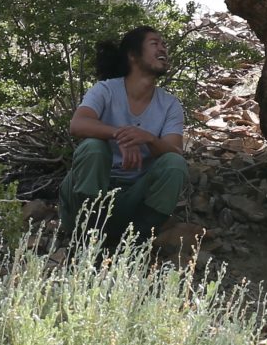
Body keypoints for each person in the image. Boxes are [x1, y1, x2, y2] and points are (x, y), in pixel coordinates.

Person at [60, 25, 188, 250]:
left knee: (174, 163)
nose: (163, 49)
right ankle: (85, 244)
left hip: (131, 202)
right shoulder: (105, 90)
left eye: (164, 45)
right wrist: (122, 134)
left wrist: (147, 138)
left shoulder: (170, 105)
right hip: (86, 201)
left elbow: (175, 150)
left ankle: (131, 249)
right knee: (93, 147)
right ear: (132, 55)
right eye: (154, 43)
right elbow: (78, 124)